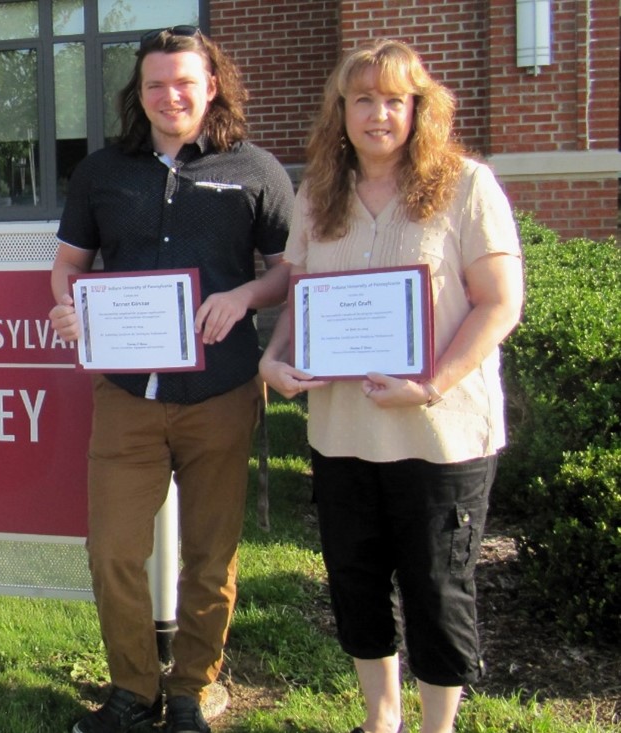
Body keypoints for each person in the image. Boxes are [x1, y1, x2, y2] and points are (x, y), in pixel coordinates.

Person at [258, 40, 524, 733]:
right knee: (356, 581)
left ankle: (436, 727)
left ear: (419, 109)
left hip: (439, 434)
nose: (378, 114)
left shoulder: (467, 186)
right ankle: (382, 721)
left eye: (394, 101)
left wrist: (431, 382)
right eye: (363, 99)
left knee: (437, 588)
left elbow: (499, 302)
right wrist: (274, 359)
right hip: (344, 431)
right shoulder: (318, 194)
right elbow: (301, 292)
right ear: (340, 111)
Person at [48, 26, 294, 733]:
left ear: (211, 85)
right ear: (140, 93)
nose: (170, 95)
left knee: (211, 553)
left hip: (221, 390)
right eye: (155, 84)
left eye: (184, 82)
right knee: (115, 549)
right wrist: (67, 304)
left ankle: (190, 687)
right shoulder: (101, 172)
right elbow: (69, 264)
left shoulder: (256, 170)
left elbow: (289, 271)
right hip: (127, 393)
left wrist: (245, 296)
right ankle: (133, 688)